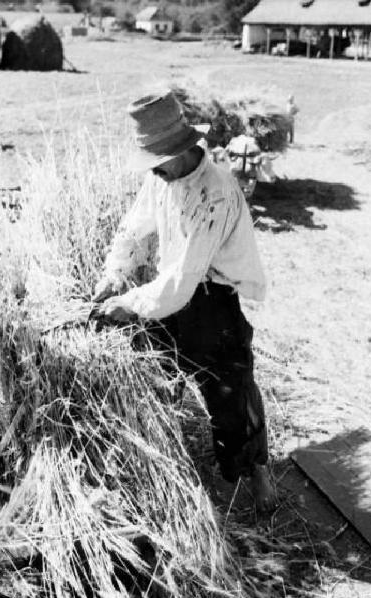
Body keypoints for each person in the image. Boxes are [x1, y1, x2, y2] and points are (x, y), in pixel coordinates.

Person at [94, 90, 277, 511]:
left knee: (230, 388)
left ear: (178, 150)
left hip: (212, 294)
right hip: (168, 289)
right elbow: (132, 228)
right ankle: (169, 457)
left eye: (156, 160)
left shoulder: (215, 193)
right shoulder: (160, 177)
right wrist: (114, 274)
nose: (152, 170)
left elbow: (183, 282)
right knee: (160, 371)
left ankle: (254, 469)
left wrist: (129, 302)